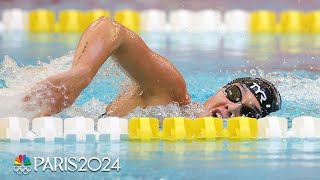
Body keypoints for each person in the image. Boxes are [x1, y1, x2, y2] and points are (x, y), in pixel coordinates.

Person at [23, 16, 281, 119]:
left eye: (247, 113)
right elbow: (111, 29)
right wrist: (82, 74)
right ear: (221, 89)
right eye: (235, 95)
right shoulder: (171, 94)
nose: (232, 107)